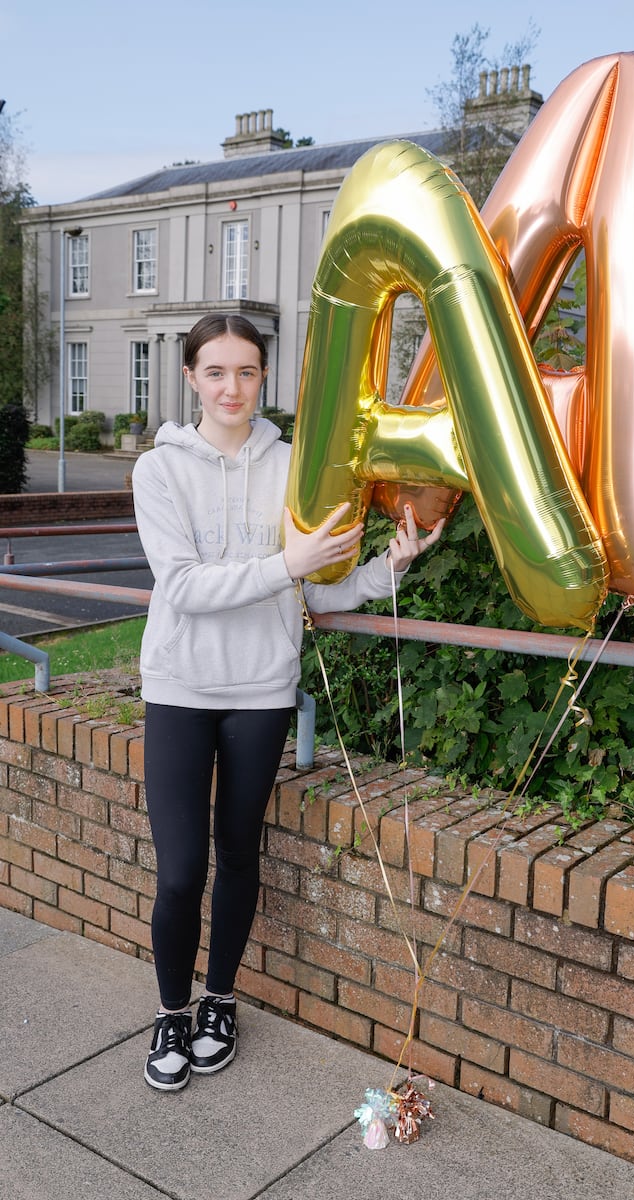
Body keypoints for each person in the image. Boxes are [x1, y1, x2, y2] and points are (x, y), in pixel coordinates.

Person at [131, 313, 443, 1091]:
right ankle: (170, 1012)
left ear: (263, 378)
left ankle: (219, 1002)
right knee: (180, 871)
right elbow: (184, 587)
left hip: (261, 691)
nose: (232, 388)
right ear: (191, 379)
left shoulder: (294, 463)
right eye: (216, 373)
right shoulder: (159, 470)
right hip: (180, 686)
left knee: (239, 853)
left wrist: (389, 568)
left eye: (247, 373)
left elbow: (322, 584)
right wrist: (285, 564)